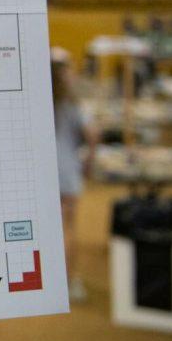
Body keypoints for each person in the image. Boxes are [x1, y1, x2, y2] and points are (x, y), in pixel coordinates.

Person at [51, 48, 98, 303]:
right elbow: (92, 133)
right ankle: (68, 282)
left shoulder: (37, 99)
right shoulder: (74, 102)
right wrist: (89, 159)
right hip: (68, 169)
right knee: (68, 228)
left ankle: (49, 279)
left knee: (50, 229)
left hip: (45, 174)